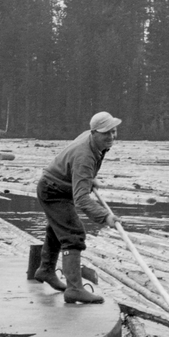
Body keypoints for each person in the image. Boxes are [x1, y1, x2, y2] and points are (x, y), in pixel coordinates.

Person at [33, 111, 121, 304]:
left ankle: (46, 270)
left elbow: (74, 164)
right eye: (106, 133)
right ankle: (74, 289)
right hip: (53, 191)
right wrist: (105, 217)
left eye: (113, 131)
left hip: (58, 186)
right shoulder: (85, 157)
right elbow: (81, 199)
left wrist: (87, 178)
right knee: (73, 234)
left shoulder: (90, 140)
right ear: (94, 132)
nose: (111, 137)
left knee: (58, 230)